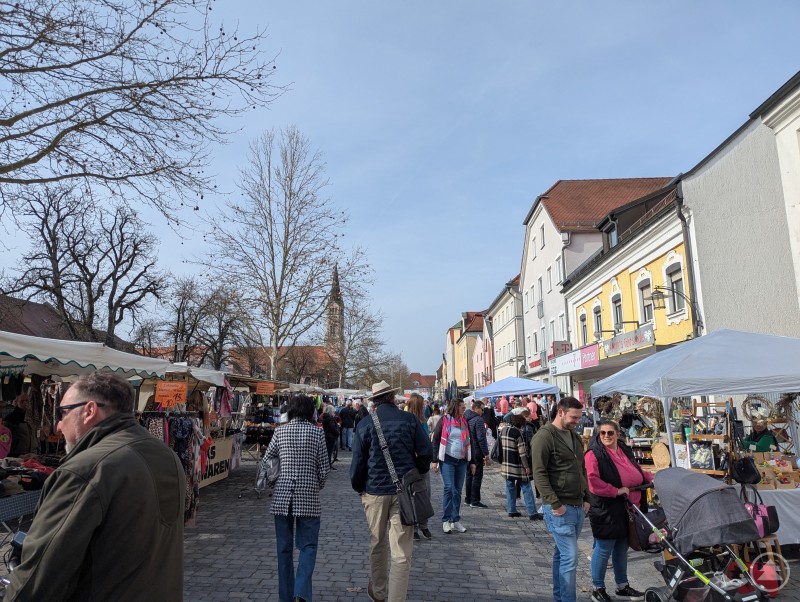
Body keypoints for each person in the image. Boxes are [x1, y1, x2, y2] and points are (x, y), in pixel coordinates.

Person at [5, 371, 185, 601]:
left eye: (63, 413)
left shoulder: (86, 470)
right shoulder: (165, 455)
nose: (58, 425)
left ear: (89, 411)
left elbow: (39, 577)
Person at [351, 381, 433, 602]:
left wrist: (360, 487)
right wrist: (417, 471)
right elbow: (426, 452)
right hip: (404, 492)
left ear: (374, 401)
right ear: (392, 397)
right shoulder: (410, 420)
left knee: (377, 543)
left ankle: (379, 592)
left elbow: (358, 462)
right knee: (401, 551)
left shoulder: (366, 424)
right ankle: (396, 598)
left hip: (375, 491)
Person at [265, 395, 330, 602]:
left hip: (283, 497)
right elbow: (324, 468)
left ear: (291, 410)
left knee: (284, 549)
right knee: (308, 546)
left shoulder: (280, 432)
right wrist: (316, 485)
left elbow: (267, 461)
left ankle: (285, 597)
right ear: (311, 411)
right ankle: (301, 592)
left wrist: (277, 481)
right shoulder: (317, 433)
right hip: (308, 496)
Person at [531, 396, 591, 602]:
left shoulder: (573, 436)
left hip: (577, 505)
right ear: (561, 412)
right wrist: (554, 503)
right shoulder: (544, 436)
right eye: (574, 417)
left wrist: (587, 496)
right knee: (570, 557)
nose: (577, 421)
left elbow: (581, 467)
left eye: (579, 417)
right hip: (560, 507)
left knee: (562, 554)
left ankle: (559, 597)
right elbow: (539, 473)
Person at [585, 420, 651, 601]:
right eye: (603, 433)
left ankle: (622, 585)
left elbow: (637, 470)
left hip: (628, 506)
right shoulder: (594, 454)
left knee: (622, 546)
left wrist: (653, 478)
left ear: (617, 434)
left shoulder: (623, 449)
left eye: (610, 433)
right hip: (606, 508)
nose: (606, 436)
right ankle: (598, 589)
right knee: (604, 547)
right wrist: (615, 490)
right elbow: (592, 481)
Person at [431, 397, 473, 534]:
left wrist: (472, 461)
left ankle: (455, 519)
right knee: (449, 488)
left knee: (458, 490)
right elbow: (436, 439)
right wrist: (435, 460)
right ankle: (446, 520)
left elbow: (469, 441)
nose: (464, 409)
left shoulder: (464, 421)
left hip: (461, 460)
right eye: (462, 407)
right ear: (456, 407)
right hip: (448, 459)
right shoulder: (445, 420)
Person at [405, 393, 434, 541]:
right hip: (411, 463)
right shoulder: (407, 420)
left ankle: (423, 525)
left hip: (422, 463)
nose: (424, 407)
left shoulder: (423, 420)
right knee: (411, 495)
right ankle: (415, 526)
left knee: (425, 494)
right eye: (422, 405)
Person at [501, 414, 541, 519]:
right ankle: (532, 512)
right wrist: (527, 466)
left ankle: (511, 510)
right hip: (518, 465)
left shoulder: (504, 430)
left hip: (506, 464)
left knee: (509, 487)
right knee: (526, 487)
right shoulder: (518, 433)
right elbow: (522, 453)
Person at [464, 400, 490, 508]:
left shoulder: (466, 417)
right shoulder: (478, 420)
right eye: (482, 409)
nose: (483, 412)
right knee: (477, 476)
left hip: (468, 450)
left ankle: (468, 499)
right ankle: (474, 500)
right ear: (476, 408)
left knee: (469, 475)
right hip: (477, 451)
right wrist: (486, 453)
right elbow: (481, 438)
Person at [321, 403, 340, 470]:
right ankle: (328, 465)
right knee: (329, 452)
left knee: (328, 452)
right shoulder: (330, 418)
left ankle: (327, 464)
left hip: (326, 436)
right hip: (331, 437)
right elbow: (332, 427)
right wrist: (337, 432)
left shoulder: (325, 417)